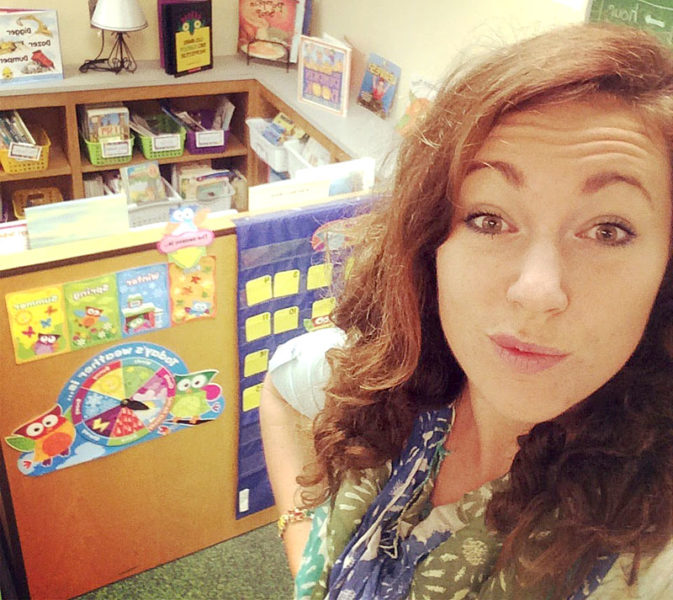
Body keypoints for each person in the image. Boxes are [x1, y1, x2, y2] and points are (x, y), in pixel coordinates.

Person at [260, 22, 673, 599]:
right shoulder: (389, 385)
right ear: (433, 245)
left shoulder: (650, 558)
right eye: (488, 218)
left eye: (608, 230)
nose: (537, 290)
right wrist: (302, 540)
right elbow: (280, 390)